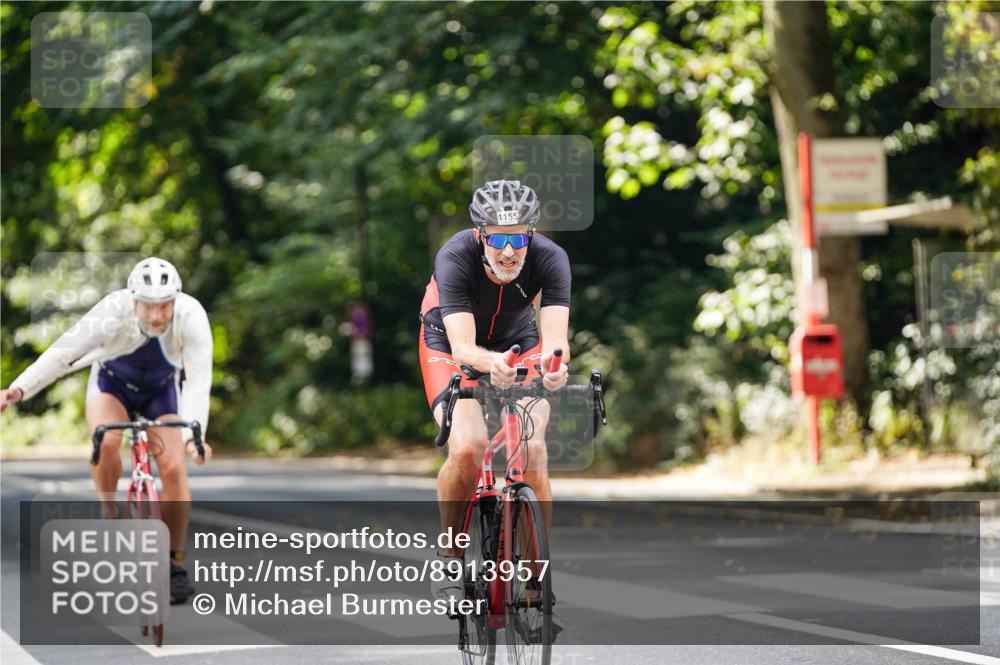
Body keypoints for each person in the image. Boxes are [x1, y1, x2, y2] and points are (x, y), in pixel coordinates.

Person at [0, 257, 214, 605]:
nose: (158, 316)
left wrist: (194, 437)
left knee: (175, 469)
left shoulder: (192, 317)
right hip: (111, 385)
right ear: (134, 300)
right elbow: (61, 355)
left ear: (176, 300)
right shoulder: (111, 311)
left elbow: (199, 380)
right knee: (107, 440)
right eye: (149, 306)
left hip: (161, 391)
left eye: (165, 306)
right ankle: (108, 509)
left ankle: (175, 565)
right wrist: (18, 390)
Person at [418, 180, 571, 603]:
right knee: (468, 447)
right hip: (448, 345)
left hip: (518, 342)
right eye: (499, 238)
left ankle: (535, 574)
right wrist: (492, 364)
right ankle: (449, 556)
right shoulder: (455, 256)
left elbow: (556, 340)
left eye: (518, 237)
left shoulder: (552, 259)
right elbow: (464, 348)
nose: (509, 251)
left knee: (533, 450)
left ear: (532, 235)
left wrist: (555, 368)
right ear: (481, 236)